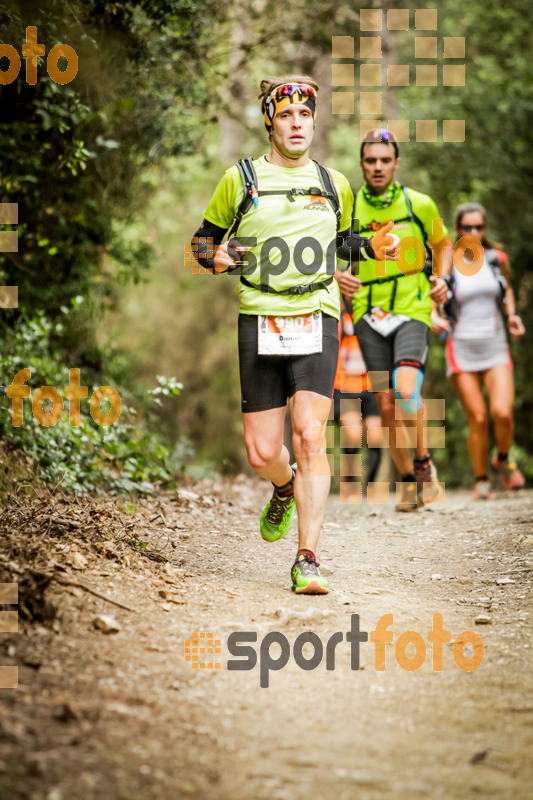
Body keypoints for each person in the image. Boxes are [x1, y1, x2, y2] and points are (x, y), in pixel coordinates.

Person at [191, 79, 399, 593]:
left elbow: (343, 241)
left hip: (317, 314)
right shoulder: (240, 179)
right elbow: (202, 241)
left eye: (306, 114)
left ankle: (307, 558)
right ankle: (282, 487)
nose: (298, 123)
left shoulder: (334, 182)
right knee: (262, 452)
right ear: (271, 122)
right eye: (287, 116)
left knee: (309, 435)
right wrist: (210, 257)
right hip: (259, 317)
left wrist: (374, 246)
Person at [336, 128, 451, 511]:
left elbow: (443, 245)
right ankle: (407, 482)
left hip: (412, 307)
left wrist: (442, 278)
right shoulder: (350, 209)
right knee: (385, 405)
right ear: (362, 165)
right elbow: (336, 250)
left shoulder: (419, 204)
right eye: (371, 161)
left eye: (385, 160)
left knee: (405, 391)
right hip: (368, 314)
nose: (378, 167)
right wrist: (342, 277)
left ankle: (422, 463)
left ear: (396, 163)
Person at [433, 202, 526, 500]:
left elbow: (506, 289)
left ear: (484, 229)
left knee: (502, 412)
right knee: (478, 418)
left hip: (495, 343)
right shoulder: (448, 260)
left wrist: (512, 314)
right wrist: (435, 315)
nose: (473, 232)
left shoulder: (497, 258)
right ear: (458, 230)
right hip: (460, 345)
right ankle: (481, 478)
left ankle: (502, 457)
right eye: (467, 227)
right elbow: (437, 292)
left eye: (478, 227)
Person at [333, 297, 382, 501]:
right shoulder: (338, 316)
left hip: (370, 386)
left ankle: (369, 487)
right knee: (353, 434)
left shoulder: (376, 315)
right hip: (343, 387)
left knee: (376, 436)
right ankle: (349, 486)